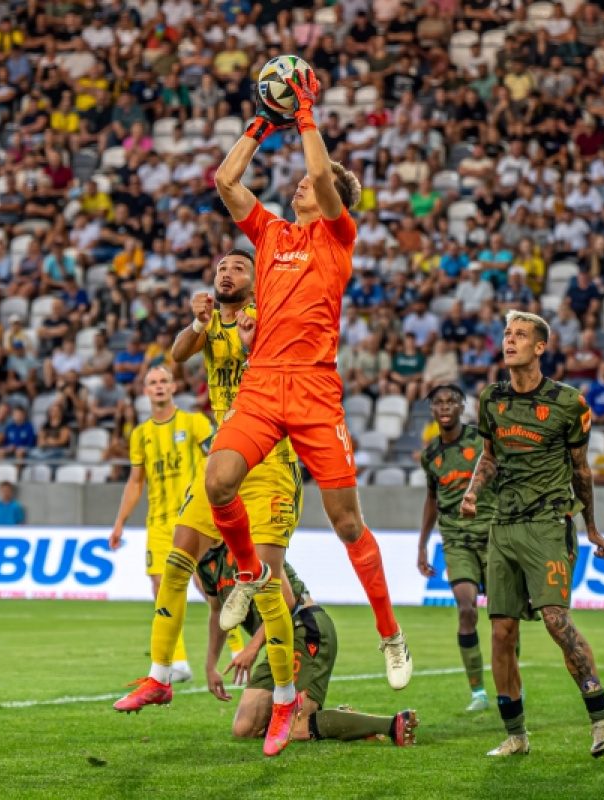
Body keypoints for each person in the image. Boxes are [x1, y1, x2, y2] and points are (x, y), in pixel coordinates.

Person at [210, 73, 412, 752]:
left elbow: (324, 184)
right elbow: (226, 181)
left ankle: (390, 631)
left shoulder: (337, 234)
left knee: (346, 519)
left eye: (307, 184)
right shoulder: (268, 235)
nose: (296, 186)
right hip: (265, 383)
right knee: (218, 483)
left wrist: (306, 118)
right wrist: (263, 123)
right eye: (296, 183)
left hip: (317, 389)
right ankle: (244, 574)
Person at [112, 251, 301, 757]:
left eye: (238, 267)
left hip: (270, 463)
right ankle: (159, 677)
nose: (226, 272)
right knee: (178, 561)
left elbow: (260, 349)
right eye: (221, 266)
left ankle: (285, 698)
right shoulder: (211, 317)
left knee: (264, 583)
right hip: (223, 463)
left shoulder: (264, 314)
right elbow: (178, 354)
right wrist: (198, 321)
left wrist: (241, 326)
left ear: (254, 281)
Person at [462, 310, 604, 758]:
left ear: (540, 347)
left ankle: (603, 721)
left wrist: (590, 526)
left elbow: (581, 470)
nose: (509, 340)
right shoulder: (491, 398)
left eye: (520, 335)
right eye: (507, 333)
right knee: (501, 632)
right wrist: (474, 493)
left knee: (555, 620)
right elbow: (489, 456)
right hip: (503, 526)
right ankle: (516, 735)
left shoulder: (569, 402)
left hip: (548, 524)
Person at [200, 542, 418, 748]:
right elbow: (217, 612)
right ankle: (336, 719)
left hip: (305, 627)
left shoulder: (253, 542)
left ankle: (392, 725)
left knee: (297, 728)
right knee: (244, 728)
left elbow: (286, 600)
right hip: (279, 641)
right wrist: (210, 666)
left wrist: (252, 648)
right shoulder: (205, 563)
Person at [108, 366, 214, 686]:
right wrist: (119, 522)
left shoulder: (195, 423)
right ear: (145, 391)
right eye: (152, 382)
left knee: (208, 587)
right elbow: (135, 482)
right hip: (157, 523)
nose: (158, 387)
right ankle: (177, 662)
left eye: (164, 381)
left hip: (192, 518)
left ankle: (237, 649)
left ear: (173, 387)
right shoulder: (140, 435)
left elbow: (218, 459)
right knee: (161, 590)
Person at [418, 384, 496, 712]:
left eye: (452, 400)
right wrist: (422, 546)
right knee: (466, 610)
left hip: (493, 535)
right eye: (438, 402)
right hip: (456, 540)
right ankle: (477, 691)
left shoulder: (482, 441)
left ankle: (509, 678)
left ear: (463, 405)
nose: (445, 406)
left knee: (504, 615)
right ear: (432, 411)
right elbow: (432, 500)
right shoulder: (430, 454)